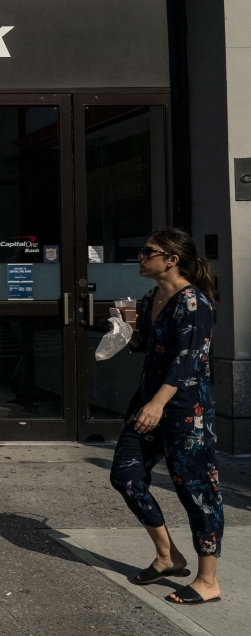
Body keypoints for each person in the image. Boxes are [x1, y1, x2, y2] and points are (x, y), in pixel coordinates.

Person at [108, 228, 223, 605]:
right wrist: (124, 326)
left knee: (196, 490)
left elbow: (187, 361)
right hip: (149, 403)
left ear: (171, 259)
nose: (141, 257)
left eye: (148, 252)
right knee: (125, 475)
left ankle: (208, 581)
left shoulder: (194, 303)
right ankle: (168, 555)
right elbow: (144, 345)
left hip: (183, 410)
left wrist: (157, 405)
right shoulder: (151, 297)